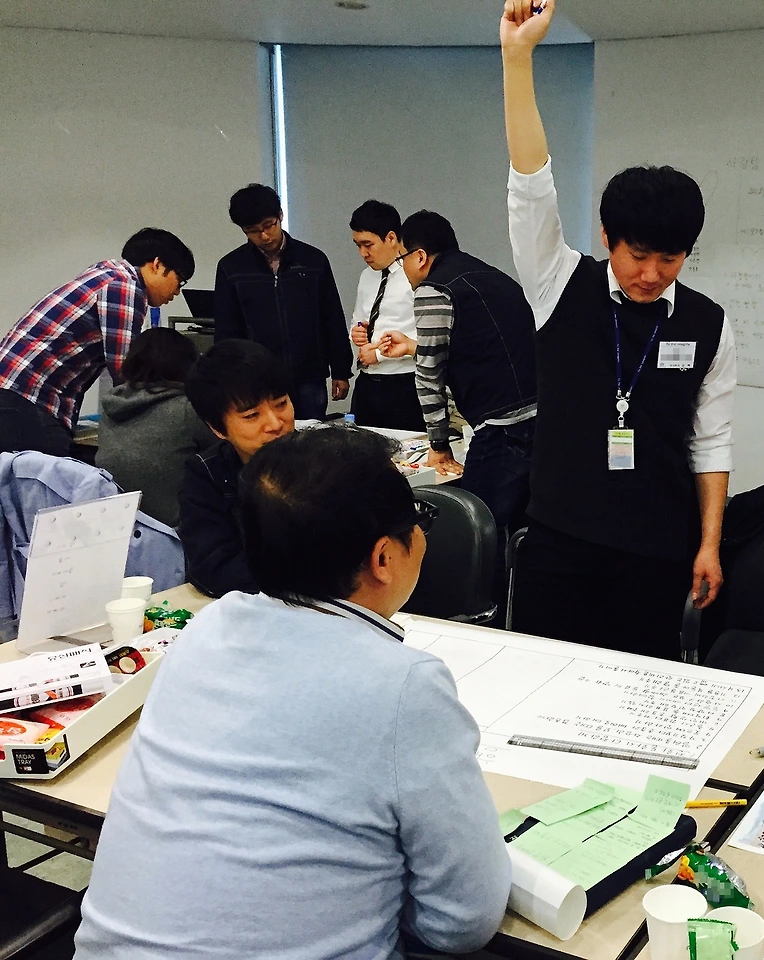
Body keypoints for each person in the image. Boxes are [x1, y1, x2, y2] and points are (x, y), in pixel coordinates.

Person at [75, 427, 510, 959]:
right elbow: (463, 921)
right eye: (418, 519)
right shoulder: (405, 685)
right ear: (383, 558)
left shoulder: (206, 629)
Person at [500, 0, 736, 656]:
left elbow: (711, 441)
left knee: (638, 691)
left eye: (671, 258)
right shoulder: (558, 283)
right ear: (607, 237)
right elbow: (531, 187)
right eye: (638, 255)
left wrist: (710, 543)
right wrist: (517, 60)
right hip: (559, 542)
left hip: (656, 550)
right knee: (544, 685)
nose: (651, 274)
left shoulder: (708, 324)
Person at [378, 209, 537, 534]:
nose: (402, 268)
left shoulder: (433, 289)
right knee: (524, 532)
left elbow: (429, 375)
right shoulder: (494, 276)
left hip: (501, 430)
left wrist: (438, 445)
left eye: (401, 258)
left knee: (474, 529)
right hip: (541, 422)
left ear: (419, 257)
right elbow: (481, 348)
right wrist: (413, 346)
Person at [0, 228, 193, 456]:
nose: (177, 293)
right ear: (157, 265)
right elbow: (126, 369)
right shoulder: (124, 285)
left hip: (14, 391)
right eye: (180, 281)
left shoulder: (104, 276)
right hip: (28, 399)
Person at [213, 183, 351, 420]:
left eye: (269, 225)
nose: (264, 236)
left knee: (310, 436)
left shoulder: (313, 260)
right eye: (253, 231)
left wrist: (341, 369)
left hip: (309, 375)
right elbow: (227, 329)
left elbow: (332, 317)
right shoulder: (231, 267)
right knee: (268, 437)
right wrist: (230, 377)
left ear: (280, 215)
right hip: (257, 377)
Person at [178, 339, 294, 597]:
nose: (275, 424)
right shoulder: (207, 475)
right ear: (217, 428)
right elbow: (213, 568)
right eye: (252, 415)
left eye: (281, 403)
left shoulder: (325, 462)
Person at [97, 327, 214, 527]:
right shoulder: (187, 409)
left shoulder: (112, 404)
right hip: (173, 532)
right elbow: (225, 454)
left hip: (118, 528)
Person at [348, 199, 425, 431]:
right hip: (367, 383)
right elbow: (358, 319)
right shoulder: (366, 276)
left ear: (391, 238)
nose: (363, 253)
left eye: (368, 245)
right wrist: (356, 333)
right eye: (357, 245)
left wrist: (380, 355)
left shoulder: (416, 275)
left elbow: (429, 337)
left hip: (404, 383)